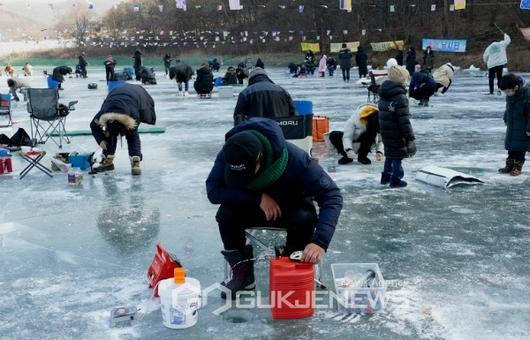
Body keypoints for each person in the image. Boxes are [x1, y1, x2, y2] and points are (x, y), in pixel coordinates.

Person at [205, 118, 343, 299]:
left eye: (246, 174)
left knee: (305, 217)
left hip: (291, 208)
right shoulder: (230, 151)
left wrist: (320, 242)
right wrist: (256, 197)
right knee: (226, 215)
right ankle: (242, 273)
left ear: (259, 160)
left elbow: (332, 196)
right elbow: (213, 191)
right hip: (252, 207)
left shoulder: (296, 160)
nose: (242, 179)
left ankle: (290, 267)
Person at [90, 83, 156, 175]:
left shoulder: (133, 115)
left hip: (139, 96)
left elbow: (132, 133)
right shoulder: (103, 113)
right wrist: (101, 140)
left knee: (131, 133)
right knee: (111, 133)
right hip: (116, 95)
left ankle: (135, 161)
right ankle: (108, 160)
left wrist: (126, 131)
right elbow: (93, 126)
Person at [378, 65, 416, 188]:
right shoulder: (400, 97)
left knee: (389, 155)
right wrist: (410, 138)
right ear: (401, 80)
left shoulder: (384, 94)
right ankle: (395, 179)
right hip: (396, 133)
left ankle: (385, 178)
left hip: (385, 131)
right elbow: (404, 121)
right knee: (397, 157)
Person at [497, 74, 530, 176]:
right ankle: (509, 165)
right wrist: (506, 117)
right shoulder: (511, 93)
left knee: (520, 147)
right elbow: (508, 107)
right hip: (513, 123)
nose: (507, 93)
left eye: (507, 91)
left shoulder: (527, 94)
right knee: (512, 146)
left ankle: (517, 167)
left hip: (523, 126)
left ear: (516, 87)